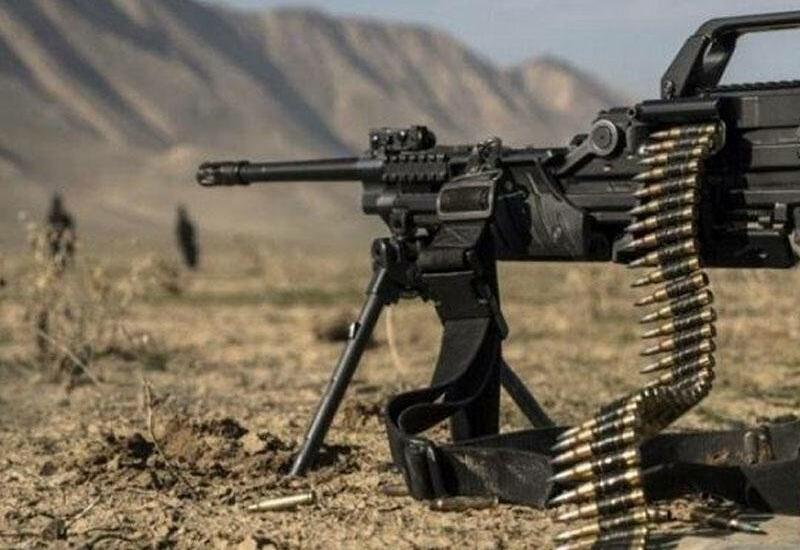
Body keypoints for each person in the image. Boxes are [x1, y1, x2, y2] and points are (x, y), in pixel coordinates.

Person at [176, 204, 199, 269]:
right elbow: (180, 233)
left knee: (190, 253)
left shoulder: (184, 223)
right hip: (186, 241)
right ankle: (191, 265)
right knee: (188, 253)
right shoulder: (182, 223)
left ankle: (191, 265)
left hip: (188, 241)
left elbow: (191, 231)